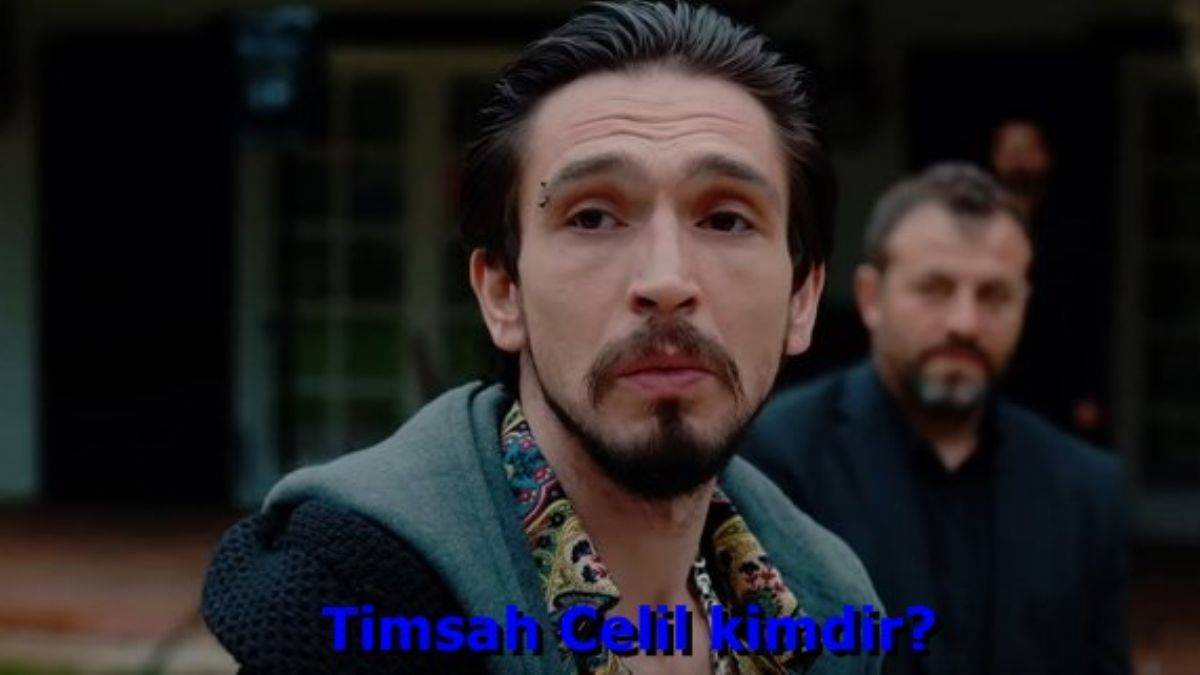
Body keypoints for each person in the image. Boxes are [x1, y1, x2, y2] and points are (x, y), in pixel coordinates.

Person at [201, 2, 883, 673]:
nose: (666, 280)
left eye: (727, 220)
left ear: (802, 298)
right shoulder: (353, 612)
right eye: (593, 217)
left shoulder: (831, 610)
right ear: (502, 292)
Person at [742, 163, 1129, 675]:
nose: (964, 323)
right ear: (870, 298)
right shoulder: (771, 461)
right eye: (935, 289)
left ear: (1024, 305)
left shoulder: (1085, 489)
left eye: (994, 295)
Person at [989, 118, 1110, 440]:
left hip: (1056, 375)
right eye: (1010, 150)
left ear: (1046, 158)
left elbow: (1089, 313)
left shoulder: (1073, 228)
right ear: (995, 158)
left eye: (1027, 149)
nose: (1019, 160)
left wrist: (1089, 390)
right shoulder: (979, 224)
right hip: (997, 369)